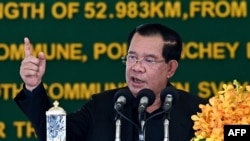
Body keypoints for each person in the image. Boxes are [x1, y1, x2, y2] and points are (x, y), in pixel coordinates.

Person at [14, 23, 207, 141]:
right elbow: (55, 138)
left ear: (171, 68)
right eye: (132, 57)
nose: (136, 67)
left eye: (149, 60)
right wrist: (33, 86)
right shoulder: (102, 105)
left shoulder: (199, 113)